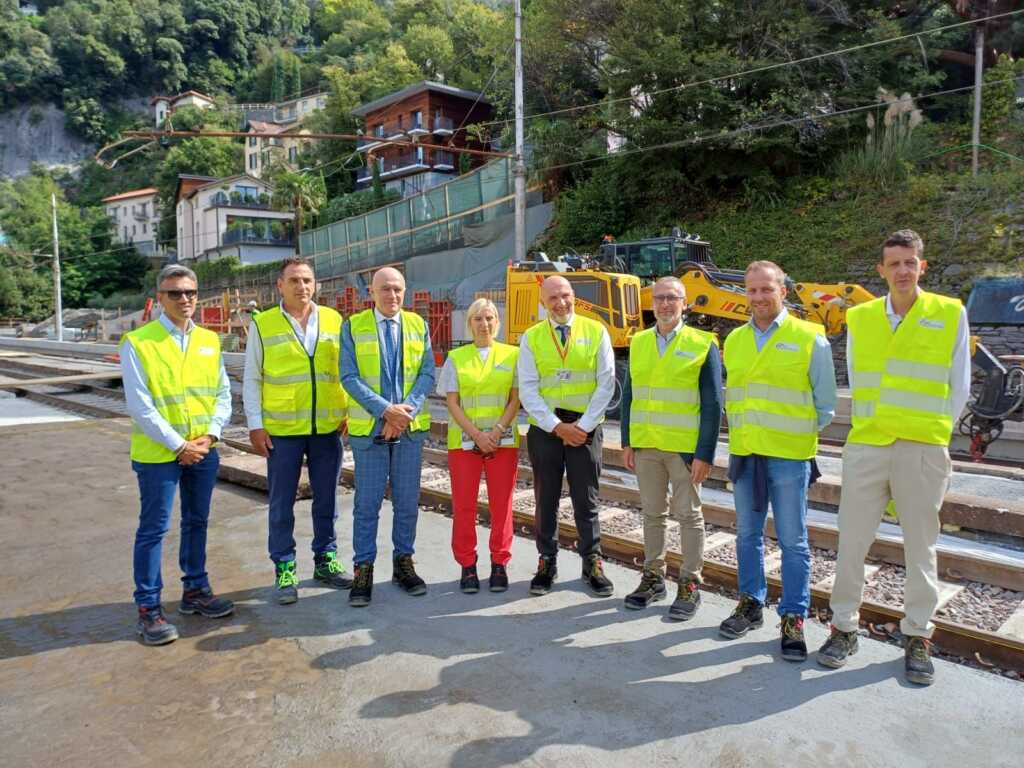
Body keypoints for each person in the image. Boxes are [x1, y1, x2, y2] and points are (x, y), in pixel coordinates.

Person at [817, 230, 970, 685]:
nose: (903, 271)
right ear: (881, 270)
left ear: (922, 266)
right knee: (851, 542)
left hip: (921, 447)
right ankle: (844, 628)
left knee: (921, 547)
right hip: (868, 445)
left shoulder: (949, 313)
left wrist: (933, 434)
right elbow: (859, 380)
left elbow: (958, 385)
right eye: (894, 264)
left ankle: (918, 635)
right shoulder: (861, 318)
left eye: (910, 262)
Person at [720, 260, 836, 662]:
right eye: (751, 291)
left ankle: (793, 618)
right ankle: (751, 603)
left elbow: (825, 406)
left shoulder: (810, 338)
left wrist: (792, 435)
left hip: (789, 457)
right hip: (747, 454)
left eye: (766, 289)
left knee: (793, 541)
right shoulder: (733, 340)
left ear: (783, 291)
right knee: (747, 536)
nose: (758, 297)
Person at [120, 265, 234, 646]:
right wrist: (179, 445)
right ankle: (148, 609)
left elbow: (222, 393)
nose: (184, 299)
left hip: (203, 449)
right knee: (154, 529)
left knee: (197, 521)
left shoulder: (209, 340)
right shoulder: (139, 342)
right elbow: (140, 406)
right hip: (159, 454)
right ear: (160, 297)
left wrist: (210, 435)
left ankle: (195, 591)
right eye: (175, 293)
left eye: (190, 292)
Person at [244, 257, 350, 605]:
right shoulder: (263, 325)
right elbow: (252, 378)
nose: (301, 286)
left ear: (315, 284)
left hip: (326, 428)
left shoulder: (334, 320)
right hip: (283, 429)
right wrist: (256, 425)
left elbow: (344, 371)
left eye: (307, 280)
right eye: (293, 280)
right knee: (281, 502)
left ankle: (325, 559)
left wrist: (347, 409)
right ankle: (285, 567)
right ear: (280, 285)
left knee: (327, 498)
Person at [620, 276, 722, 618]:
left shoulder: (703, 343)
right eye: (660, 298)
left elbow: (712, 404)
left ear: (684, 303)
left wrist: (704, 453)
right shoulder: (639, 342)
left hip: (683, 450)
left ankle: (690, 583)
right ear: (651, 303)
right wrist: (628, 440)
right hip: (647, 444)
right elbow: (630, 396)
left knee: (689, 516)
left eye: (672, 298)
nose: (665, 304)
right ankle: (653, 577)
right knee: (652, 514)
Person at [341, 267, 436, 607]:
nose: (392, 296)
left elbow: (427, 373)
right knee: (367, 505)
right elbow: (349, 377)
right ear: (371, 292)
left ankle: (403, 564)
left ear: (405, 291)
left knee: (408, 503)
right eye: (385, 289)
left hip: (408, 431)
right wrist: (386, 412)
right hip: (372, 431)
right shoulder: (353, 326)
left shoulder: (418, 325)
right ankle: (363, 569)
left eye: (397, 289)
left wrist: (403, 412)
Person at [517, 275, 616, 596]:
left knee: (585, 499)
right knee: (545, 498)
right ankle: (547, 561)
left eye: (564, 296)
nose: (560, 303)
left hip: (585, 429)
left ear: (573, 295)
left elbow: (607, 382)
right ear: (543, 303)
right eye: (552, 299)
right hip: (547, 430)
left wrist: (583, 427)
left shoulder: (596, 330)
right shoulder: (531, 338)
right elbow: (528, 388)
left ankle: (592, 561)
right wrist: (557, 427)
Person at [440, 298, 521, 593]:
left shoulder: (513, 355)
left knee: (502, 506)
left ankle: (499, 563)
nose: (484, 324)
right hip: (464, 444)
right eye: (478, 319)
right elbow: (452, 402)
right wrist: (477, 435)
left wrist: (497, 431)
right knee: (464, 506)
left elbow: (516, 398)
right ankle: (467, 565)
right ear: (469, 323)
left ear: (497, 323)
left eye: (489, 318)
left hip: (503, 442)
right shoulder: (456, 358)